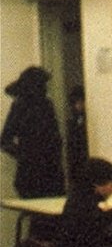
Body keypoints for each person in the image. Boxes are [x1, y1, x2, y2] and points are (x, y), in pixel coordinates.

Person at [1, 66, 65, 198]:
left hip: (49, 170)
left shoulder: (46, 105)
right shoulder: (21, 106)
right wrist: (26, 154)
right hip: (34, 173)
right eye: (42, 84)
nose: (45, 88)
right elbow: (4, 140)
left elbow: (55, 137)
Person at [65, 85, 89, 190]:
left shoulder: (86, 119)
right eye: (75, 102)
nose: (78, 105)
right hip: (75, 158)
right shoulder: (73, 120)